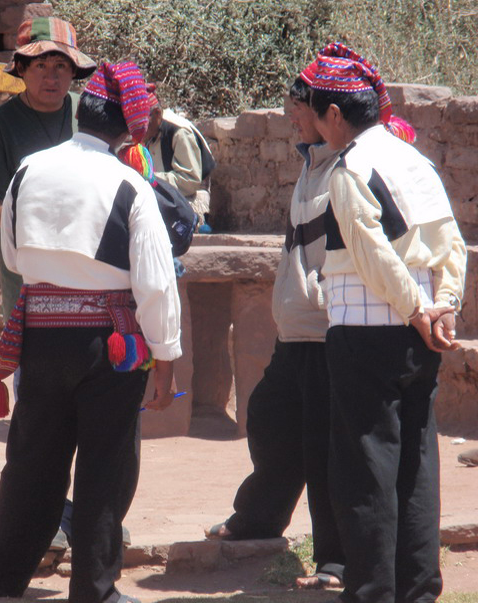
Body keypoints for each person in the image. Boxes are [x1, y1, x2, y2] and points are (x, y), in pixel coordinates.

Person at [0, 61, 181, 603]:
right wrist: (167, 357)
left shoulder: (28, 172)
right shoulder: (130, 184)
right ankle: (94, 591)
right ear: (126, 128)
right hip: (110, 345)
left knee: (32, 464)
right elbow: (155, 283)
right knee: (105, 468)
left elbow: (14, 255)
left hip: (39, 336)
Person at [309, 43, 466, 603]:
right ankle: (418, 588)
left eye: (316, 112)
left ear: (334, 115)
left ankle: (372, 590)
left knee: (365, 469)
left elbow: (372, 253)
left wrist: (417, 308)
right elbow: (452, 243)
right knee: (417, 465)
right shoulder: (414, 161)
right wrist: (442, 304)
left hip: (366, 333)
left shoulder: (350, 168)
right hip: (418, 335)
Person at [204, 67, 346, 589]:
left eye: (298, 111)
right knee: (270, 422)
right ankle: (259, 520)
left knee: (325, 447)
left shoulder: (344, 170)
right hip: (297, 334)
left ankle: (336, 560)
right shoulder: (312, 164)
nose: (291, 120)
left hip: (329, 333)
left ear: (326, 112)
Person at [0, 15, 97, 553]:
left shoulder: (86, 118)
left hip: (95, 294)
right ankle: (47, 526)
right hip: (34, 296)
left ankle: (88, 522)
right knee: (40, 422)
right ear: (20, 69)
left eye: (62, 66)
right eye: (42, 64)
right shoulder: (0, 124)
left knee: (97, 420)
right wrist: (43, 226)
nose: (52, 76)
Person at [142, 85, 215, 228]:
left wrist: (148, 177)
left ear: (157, 113)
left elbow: (189, 181)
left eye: (143, 123)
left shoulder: (179, 132)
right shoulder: (152, 131)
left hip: (190, 201)